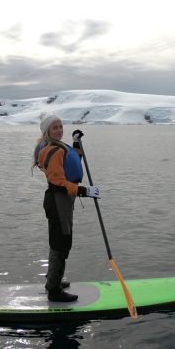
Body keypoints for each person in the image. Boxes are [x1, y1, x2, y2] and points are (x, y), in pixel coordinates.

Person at [32, 115, 100, 302]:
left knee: (61, 240)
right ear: (47, 131)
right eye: (55, 128)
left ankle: (53, 280)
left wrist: (76, 142)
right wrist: (84, 190)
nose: (59, 130)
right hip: (57, 199)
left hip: (63, 200)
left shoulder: (60, 147)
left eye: (61, 126)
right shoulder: (52, 150)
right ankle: (54, 290)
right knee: (61, 243)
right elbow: (59, 182)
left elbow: (74, 159)